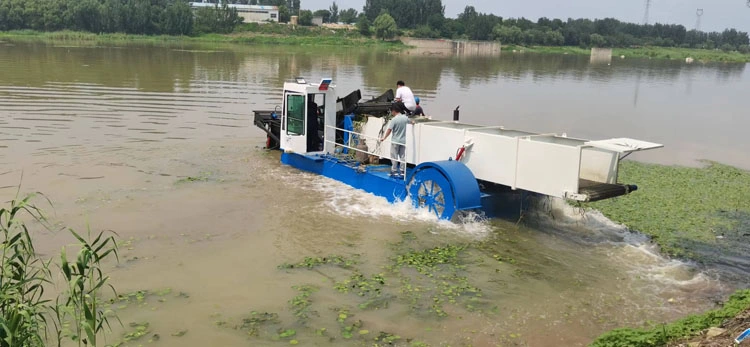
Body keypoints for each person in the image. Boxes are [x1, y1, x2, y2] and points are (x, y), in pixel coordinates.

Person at [380, 105, 410, 176]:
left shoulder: (394, 120)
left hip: (395, 141)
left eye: (391, 111)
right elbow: (411, 121)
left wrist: (384, 138)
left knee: (394, 156)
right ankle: (402, 171)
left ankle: (394, 171)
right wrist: (413, 122)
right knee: (402, 156)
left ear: (394, 111)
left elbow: (389, 130)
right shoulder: (405, 118)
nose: (391, 113)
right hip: (403, 141)